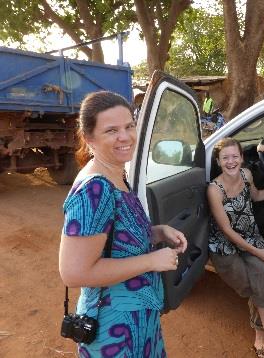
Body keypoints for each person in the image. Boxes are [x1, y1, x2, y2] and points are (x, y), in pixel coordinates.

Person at [59, 91, 187, 357]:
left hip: (136, 316)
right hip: (113, 326)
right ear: (90, 138)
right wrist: (152, 262)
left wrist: (156, 233)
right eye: (111, 130)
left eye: (129, 126)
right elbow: (74, 273)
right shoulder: (94, 190)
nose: (126, 136)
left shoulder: (115, 172)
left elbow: (115, 238)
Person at [207, 137, 264, 358]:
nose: (231, 162)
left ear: (241, 157)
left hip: (251, 238)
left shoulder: (247, 175)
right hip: (225, 246)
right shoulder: (214, 189)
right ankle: (259, 331)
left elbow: (257, 196)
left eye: (235, 156)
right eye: (225, 158)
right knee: (252, 285)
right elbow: (227, 231)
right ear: (218, 161)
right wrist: (258, 252)